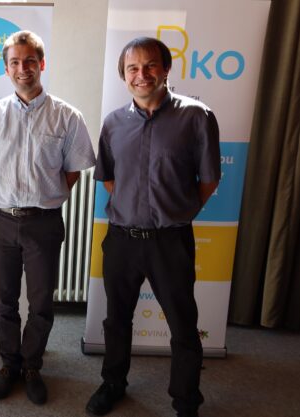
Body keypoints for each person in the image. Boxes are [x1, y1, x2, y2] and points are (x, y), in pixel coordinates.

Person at [86, 37, 220, 417]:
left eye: (150, 66)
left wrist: (179, 210)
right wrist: (133, 206)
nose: (141, 75)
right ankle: (113, 383)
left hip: (170, 242)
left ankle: (186, 401)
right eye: (133, 68)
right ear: (124, 75)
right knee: (116, 319)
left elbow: (209, 178)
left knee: (183, 325)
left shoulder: (196, 117)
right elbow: (109, 178)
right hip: (122, 239)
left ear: (166, 69)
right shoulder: (113, 123)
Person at [0, 30, 96, 405]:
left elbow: (73, 171)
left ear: (42, 64)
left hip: (43, 222)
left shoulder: (67, 116)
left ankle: (31, 366)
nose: (22, 68)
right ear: (6, 69)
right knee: (4, 300)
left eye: (29, 61)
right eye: (14, 62)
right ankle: (9, 365)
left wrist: (44, 196)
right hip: (1, 220)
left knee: (41, 302)